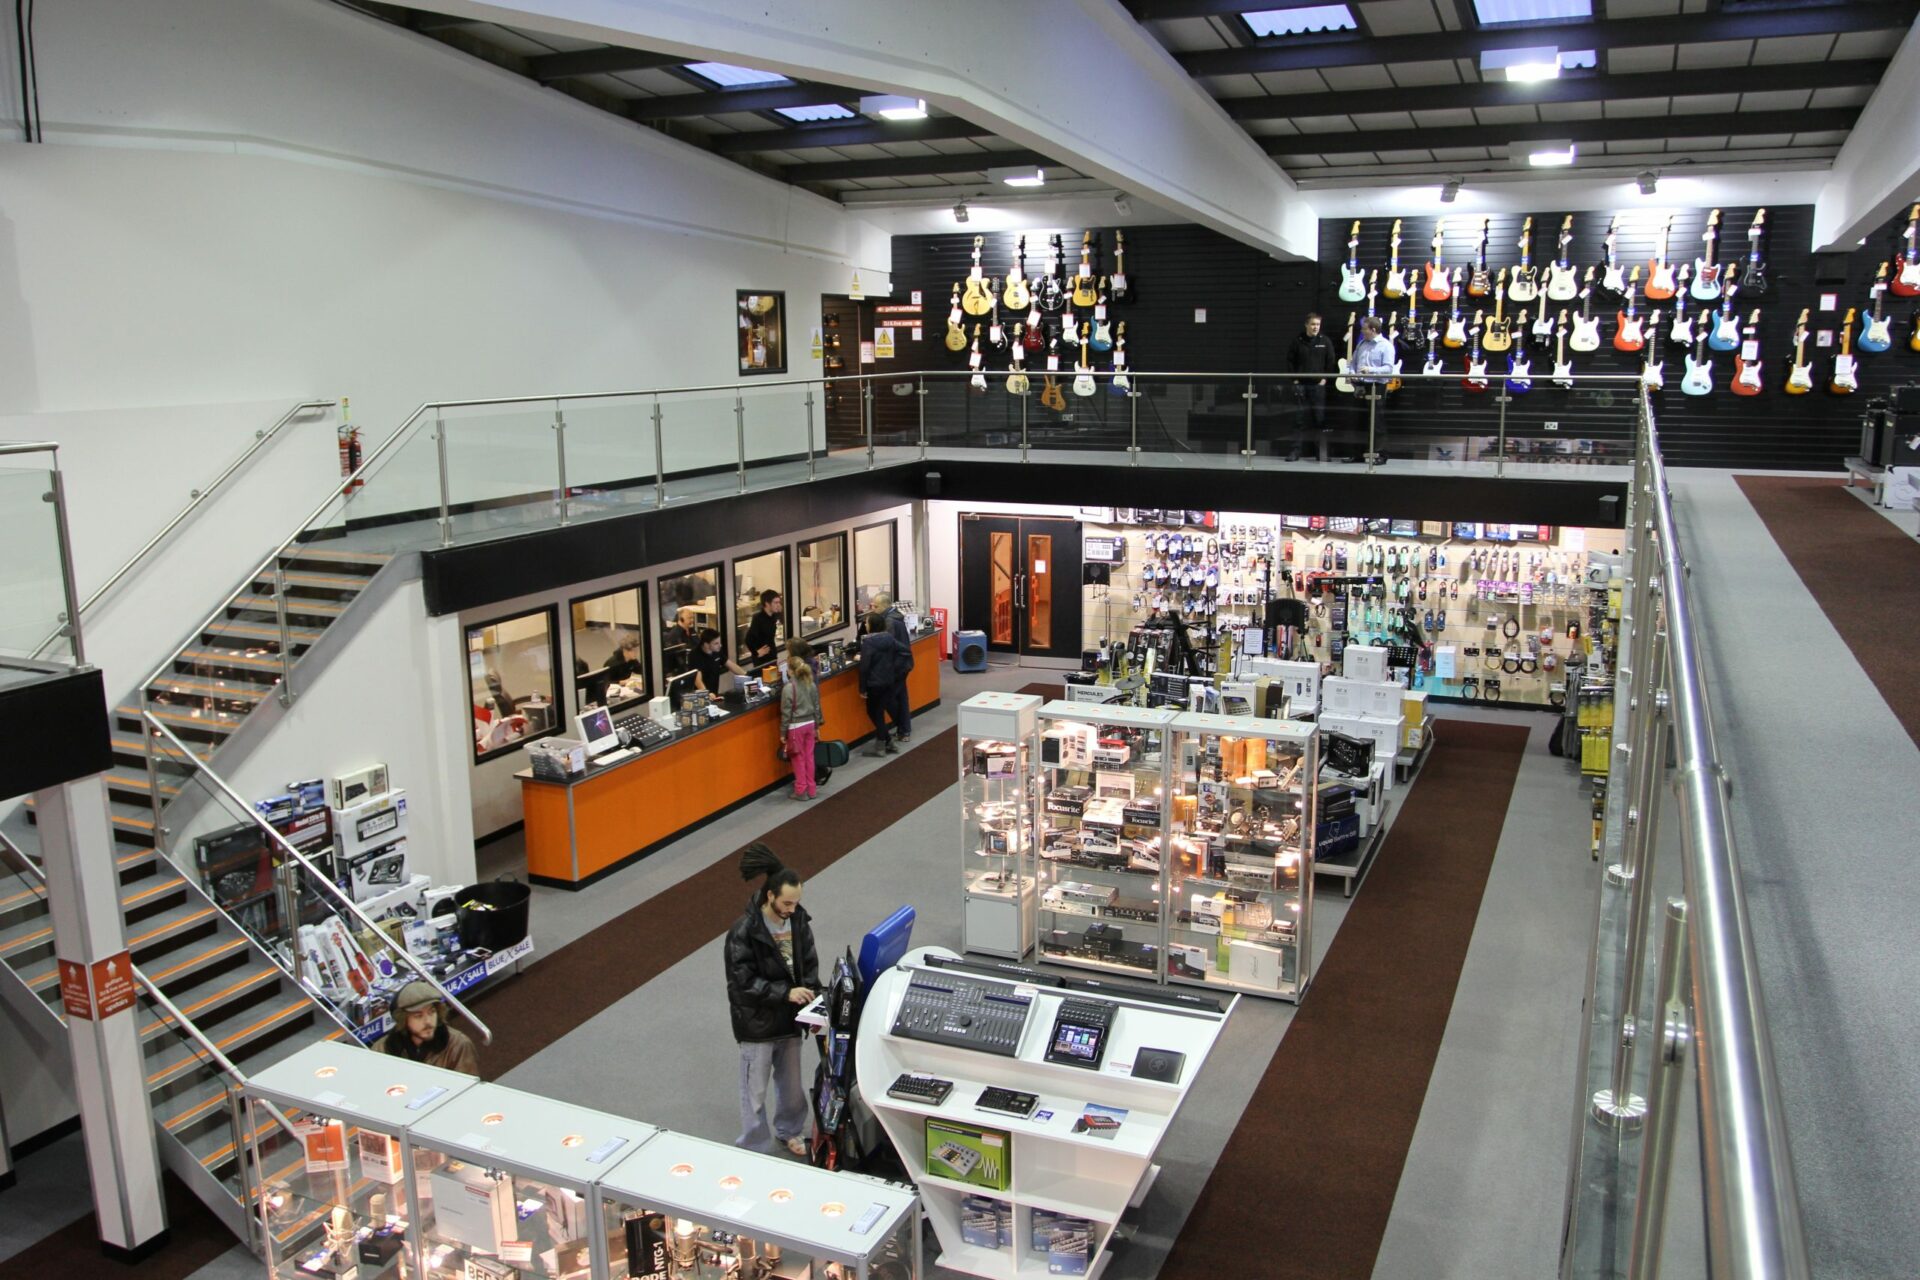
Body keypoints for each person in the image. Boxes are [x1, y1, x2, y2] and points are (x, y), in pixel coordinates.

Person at [724, 843, 821, 1156]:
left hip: (790, 1020)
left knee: (792, 1090)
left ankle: (790, 1132)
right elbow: (743, 984)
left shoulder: (798, 923)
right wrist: (786, 993)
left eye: (796, 903)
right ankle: (754, 1145)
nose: (792, 909)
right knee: (754, 1093)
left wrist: (813, 1002)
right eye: (787, 903)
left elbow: (808, 964)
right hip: (757, 1024)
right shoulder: (743, 931)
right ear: (770, 896)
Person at [377, 981, 480, 1075]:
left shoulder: (458, 1045)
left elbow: (468, 1090)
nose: (428, 1021)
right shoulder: (381, 1049)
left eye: (432, 1012)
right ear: (403, 1019)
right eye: (418, 1016)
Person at [1285, 312, 1338, 462]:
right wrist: (1295, 381)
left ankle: (1321, 453)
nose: (1315, 327)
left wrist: (1324, 380)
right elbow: (1290, 362)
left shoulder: (1325, 341)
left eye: (1318, 324)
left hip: (1317, 386)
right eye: (1313, 324)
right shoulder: (1297, 341)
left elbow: (1330, 362)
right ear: (1306, 325)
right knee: (1298, 419)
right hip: (1300, 385)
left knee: (1319, 420)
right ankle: (1295, 452)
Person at [857, 613, 907, 756]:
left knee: (874, 712)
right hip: (889, 681)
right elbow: (905, 651)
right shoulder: (889, 639)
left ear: (871, 625)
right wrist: (895, 668)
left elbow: (865, 667)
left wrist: (862, 688)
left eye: (866, 623)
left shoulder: (868, 643)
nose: (865, 625)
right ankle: (888, 741)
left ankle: (880, 746)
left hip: (874, 684)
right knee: (879, 711)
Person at [1351, 315, 1396, 465]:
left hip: (1377, 387)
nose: (1362, 331)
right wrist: (1351, 374)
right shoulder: (1361, 344)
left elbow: (1389, 369)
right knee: (1360, 422)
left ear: (1373, 330)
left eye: (1364, 329)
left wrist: (1369, 370)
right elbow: (1353, 362)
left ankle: (1380, 454)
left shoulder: (1386, 346)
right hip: (1361, 386)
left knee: (1377, 422)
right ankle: (1359, 454)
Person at [779, 645, 822, 801]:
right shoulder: (810, 684)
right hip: (810, 724)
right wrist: (817, 726)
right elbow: (817, 707)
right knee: (809, 757)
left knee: (798, 759)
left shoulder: (788, 688)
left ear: (790, 671)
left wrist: (783, 733)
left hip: (796, 727)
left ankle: (800, 790)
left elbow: (786, 713)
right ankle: (812, 789)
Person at [870, 592, 914, 742]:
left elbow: (886, 646)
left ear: (883, 606)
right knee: (901, 697)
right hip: (904, 664)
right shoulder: (896, 617)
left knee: (888, 699)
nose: (873, 609)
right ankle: (905, 730)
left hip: (896, 666)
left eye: (874, 606)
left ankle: (902, 727)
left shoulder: (888, 622)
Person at [689, 627, 747, 695]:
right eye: (716, 643)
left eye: (719, 642)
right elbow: (697, 680)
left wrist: (747, 676)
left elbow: (731, 665)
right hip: (701, 696)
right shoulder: (695, 655)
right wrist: (707, 693)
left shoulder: (717, 651)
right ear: (706, 644)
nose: (720, 645)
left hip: (714, 692)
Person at [742, 590, 784, 665]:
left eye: (779, 602)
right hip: (762, 659)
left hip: (772, 656)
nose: (778, 605)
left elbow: (784, 622)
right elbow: (748, 640)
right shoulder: (758, 618)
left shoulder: (774, 615)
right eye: (776, 602)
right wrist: (756, 653)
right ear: (767, 604)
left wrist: (781, 611)